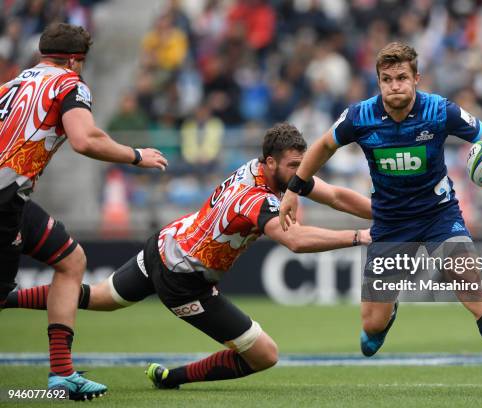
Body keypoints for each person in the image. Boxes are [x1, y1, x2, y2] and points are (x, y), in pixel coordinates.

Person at [4, 123, 373, 389]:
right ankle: (173, 378)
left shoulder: (268, 173)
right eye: (293, 166)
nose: (299, 173)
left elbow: (337, 196)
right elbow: (295, 240)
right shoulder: (255, 200)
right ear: (271, 163)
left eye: (301, 165)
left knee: (100, 298)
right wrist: (360, 236)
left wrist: (388, 214)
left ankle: (7, 297)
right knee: (265, 355)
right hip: (184, 281)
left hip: (167, 243)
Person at [278, 42, 482, 397]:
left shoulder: (439, 110)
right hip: (390, 224)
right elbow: (322, 147)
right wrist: (293, 191)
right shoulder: (359, 116)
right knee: (371, 330)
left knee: (472, 290)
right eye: (387, 79)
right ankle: (387, 314)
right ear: (378, 82)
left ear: (416, 79)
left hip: (440, 215)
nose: (395, 85)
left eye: (402, 77)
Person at [0, 23, 168, 400]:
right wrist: (136, 156)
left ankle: (62, 374)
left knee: (71, 261)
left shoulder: (14, 84)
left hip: (14, 195)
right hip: (3, 201)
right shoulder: (70, 84)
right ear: (76, 60)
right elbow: (84, 138)